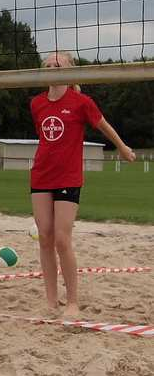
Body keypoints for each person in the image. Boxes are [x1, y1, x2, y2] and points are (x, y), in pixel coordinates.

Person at [30, 51, 135, 318]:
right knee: (45, 237)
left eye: (59, 64)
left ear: (70, 70)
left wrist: (121, 147)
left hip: (68, 177)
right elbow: (46, 141)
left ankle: (72, 302)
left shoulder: (81, 102)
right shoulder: (37, 103)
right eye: (49, 64)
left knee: (62, 240)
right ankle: (51, 301)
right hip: (41, 176)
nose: (53, 67)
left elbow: (103, 125)